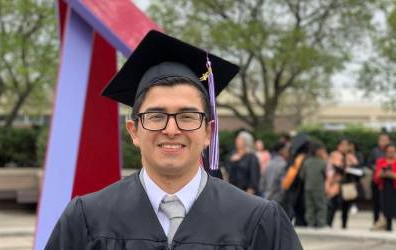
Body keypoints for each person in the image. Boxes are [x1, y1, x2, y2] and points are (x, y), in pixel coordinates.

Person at [44, 30, 302, 250]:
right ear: (134, 130)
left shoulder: (259, 221)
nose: (171, 129)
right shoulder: (86, 219)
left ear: (208, 132)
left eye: (187, 116)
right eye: (156, 116)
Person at [326, 138, 359, 229]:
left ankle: (344, 225)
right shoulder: (334, 155)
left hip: (347, 184)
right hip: (335, 183)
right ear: (338, 146)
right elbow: (337, 168)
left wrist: (349, 168)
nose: (345, 147)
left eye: (346, 145)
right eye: (342, 145)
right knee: (333, 204)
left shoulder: (350, 156)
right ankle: (329, 223)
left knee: (346, 205)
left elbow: (357, 167)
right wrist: (347, 168)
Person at [299, 142, 328, 228]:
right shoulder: (323, 163)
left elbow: (302, 176)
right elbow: (326, 175)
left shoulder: (306, 162)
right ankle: (321, 223)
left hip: (308, 187)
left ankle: (310, 223)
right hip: (319, 187)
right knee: (321, 206)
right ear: (317, 151)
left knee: (310, 206)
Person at [368, 133, 391, 228]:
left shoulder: (392, 150)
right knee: (376, 203)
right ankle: (376, 222)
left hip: (389, 181)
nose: (383, 142)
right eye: (381, 140)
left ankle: (388, 224)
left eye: (385, 140)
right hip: (377, 180)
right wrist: (376, 168)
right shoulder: (375, 151)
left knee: (388, 203)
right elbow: (369, 164)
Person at [373, 143, 396, 231]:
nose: (390, 153)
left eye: (392, 151)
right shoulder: (380, 161)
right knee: (385, 207)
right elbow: (376, 177)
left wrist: (392, 175)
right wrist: (382, 174)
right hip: (384, 187)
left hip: (394, 186)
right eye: (388, 151)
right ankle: (387, 226)